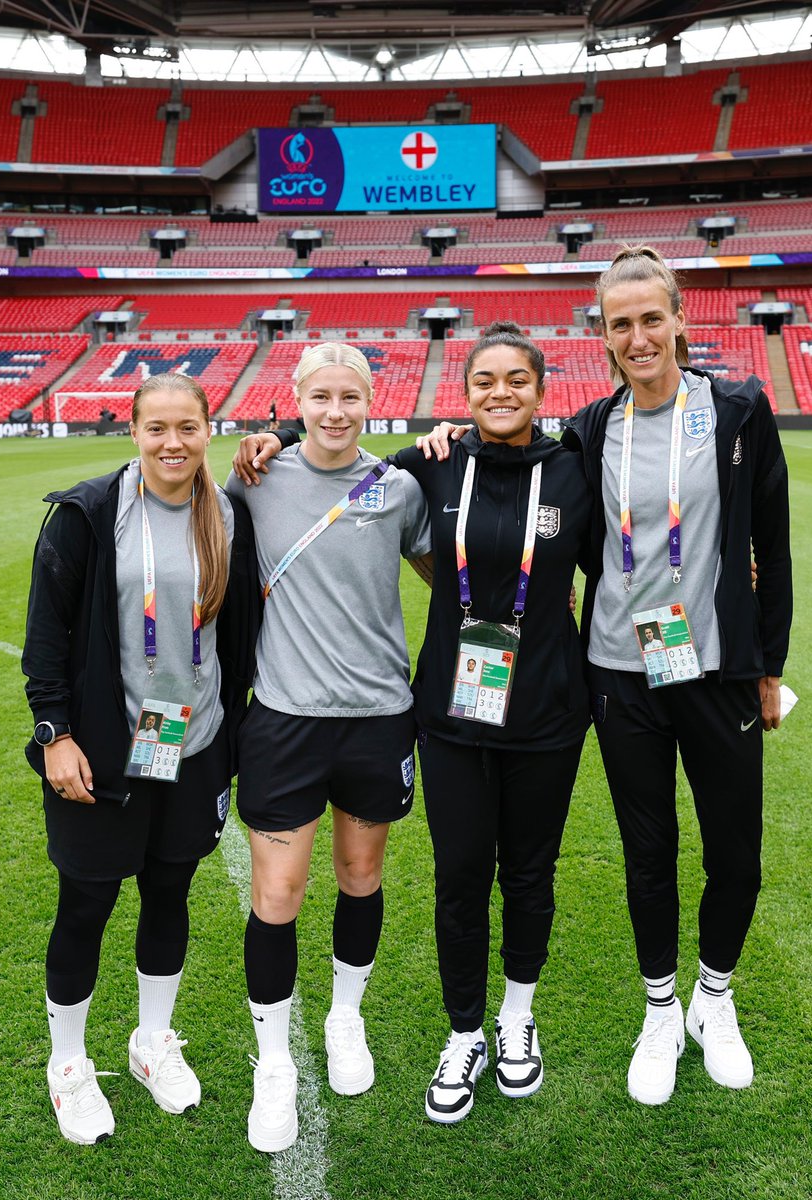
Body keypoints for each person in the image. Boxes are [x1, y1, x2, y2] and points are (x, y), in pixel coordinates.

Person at [235, 325, 590, 1128]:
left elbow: (461, 559)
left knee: (445, 875)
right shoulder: (286, 476)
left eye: (517, 379)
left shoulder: (414, 482)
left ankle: (423, 1019)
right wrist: (275, 436)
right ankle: (319, 1054)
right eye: (485, 380)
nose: (335, 409)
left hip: (425, 714)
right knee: (335, 886)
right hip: (336, 716)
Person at [561, 246, 792, 1105]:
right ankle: (661, 1009)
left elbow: (773, 543)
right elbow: (505, 470)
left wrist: (770, 667)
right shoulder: (590, 428)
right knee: (648, 851)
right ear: (604, 334)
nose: (638, 337)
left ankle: (713, 997)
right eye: (620, 323)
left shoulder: (738, 410)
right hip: (620, 674)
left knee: (737, 854)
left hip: (717, 671)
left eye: (651, 318)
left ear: (679, 319)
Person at [22, 372, 264, 1145]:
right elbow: (46, 637)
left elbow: (238, 632)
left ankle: (151, 1043)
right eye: (156, 427)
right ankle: (68, 1064)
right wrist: (55, 734)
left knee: (169, 893)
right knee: (86, 904)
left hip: (192, 746)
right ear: (133, 431)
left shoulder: (227, 514)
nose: (172, 442)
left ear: (208, 430)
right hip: (102, 755)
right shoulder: (88, 514)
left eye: (187, 427)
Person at [225, 342, 431, 1153]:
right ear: (298, 400)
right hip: (286, 720)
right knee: (278, 892)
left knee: (360, 877)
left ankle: (346, 1017)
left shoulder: (398, 487)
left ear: (371, 400)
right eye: (321, 397)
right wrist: (264, 439)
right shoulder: (257, 479)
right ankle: (274, 1060)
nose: (336, 411)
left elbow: (443, 570)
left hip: (378, 717)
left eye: (351, 397)